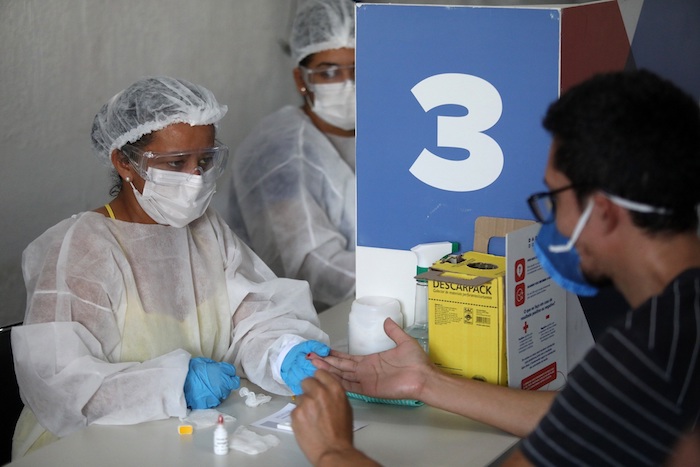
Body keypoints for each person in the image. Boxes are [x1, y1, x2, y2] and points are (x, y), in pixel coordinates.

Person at [291, 69, 700, 466]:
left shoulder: (652, 352)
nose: (552, 221)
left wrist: (333, 452)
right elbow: (599, 419)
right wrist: (426, 382)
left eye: (555, 200)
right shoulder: (676, 329)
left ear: (604, 213)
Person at [11, 76, 331, 459]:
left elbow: (253, 315)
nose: (195, 179)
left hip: (185, 438)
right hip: (84, 448)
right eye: (176, 163)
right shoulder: (81, 248)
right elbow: (60, 387)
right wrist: (174, 384)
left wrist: (282, 353)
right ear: (124, 163)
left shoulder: (206, 230)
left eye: (206, 161)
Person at [225, 0, 356, 311]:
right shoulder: (279, 152)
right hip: (312, 323)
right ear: (301, 79)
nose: (348, 85)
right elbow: (311, 267)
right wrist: (412, 279)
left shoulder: (385, 132)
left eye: (358, 69)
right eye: (329, 73)